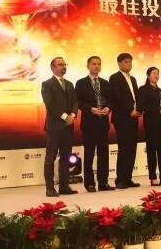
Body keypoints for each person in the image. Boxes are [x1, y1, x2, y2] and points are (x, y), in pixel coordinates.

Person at [75, 56, 115, 192]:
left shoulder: (105, 83)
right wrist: (91, 109)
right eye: (93, 64)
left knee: (104, 155)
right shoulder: (81, 83)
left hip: (103, 123)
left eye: (99, 64)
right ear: (88, 66)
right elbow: (78, 102)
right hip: (89, 124)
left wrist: (108, 108)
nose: (96, 66)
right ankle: (89, 183)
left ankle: (103, 183)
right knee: (89, 154)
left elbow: (111, 100)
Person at [41, 57, 79, 197]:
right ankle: (50, 188)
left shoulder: (69, 84)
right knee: (50, 157)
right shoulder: (47, 84)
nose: (63, 67)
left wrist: (73, 115)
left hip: (68, 127)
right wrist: (65, 117)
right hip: (54, 127)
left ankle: (64, 186)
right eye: (60, 65)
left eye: (64, 64)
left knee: (65, 157)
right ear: (53, 67)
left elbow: (75, 102)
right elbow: (50, 105)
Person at [136, 67, 161, 186]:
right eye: (154, 73)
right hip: (151, 123)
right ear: (148, 75)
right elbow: (141, 106)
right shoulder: (143, 89)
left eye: (158, 74)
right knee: (152, 150)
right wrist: (157, 109)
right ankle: (153, 177)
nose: (156, 76)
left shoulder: (160, 90)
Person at [109, 53, 141, 189]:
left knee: (132, 148)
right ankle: (120, 180)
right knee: (124, 148)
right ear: (119, 63)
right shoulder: (114, 78)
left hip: (134, 117)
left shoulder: (132, 79)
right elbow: (118, 98)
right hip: (122, 117)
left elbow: (136, 96)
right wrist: (130, 110)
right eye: (126, 62)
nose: (129, 64)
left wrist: (139, 109)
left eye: (130, 62)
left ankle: (128, 178)